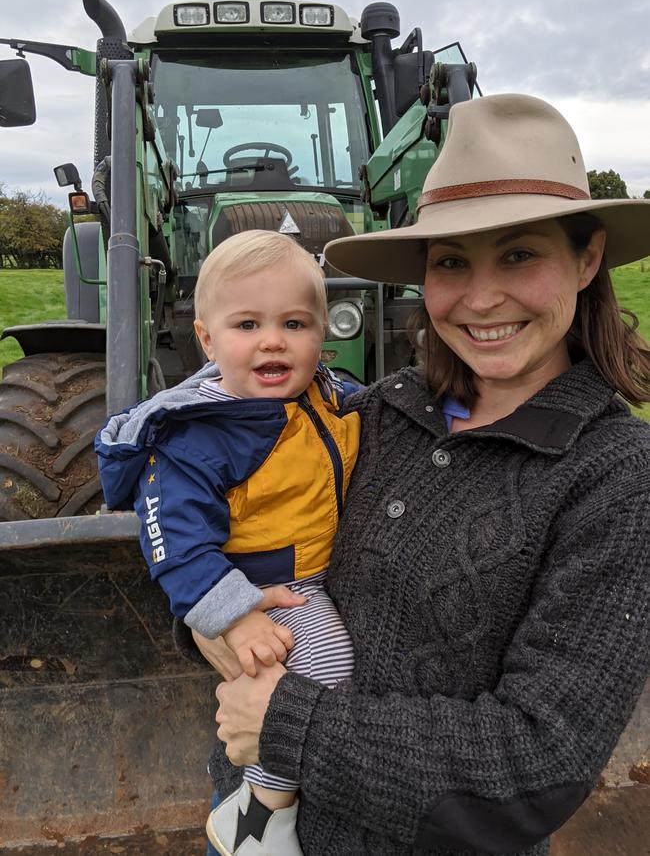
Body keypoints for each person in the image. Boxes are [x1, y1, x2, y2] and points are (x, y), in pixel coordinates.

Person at [193, 93, 650, 856]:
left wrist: (284, 721)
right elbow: (247, 532)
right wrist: (211, 616)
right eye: (450, 262)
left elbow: (538, 761)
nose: (480, 297)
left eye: (519, 253)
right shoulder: (373, 414)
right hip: (243, 819)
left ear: (588, 256)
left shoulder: (614, 477)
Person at [95, 229, 362, 856]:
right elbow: (176, 542)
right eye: (247, 324)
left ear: (322, 334)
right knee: (328, 664)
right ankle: (261, 812)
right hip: (266, 588)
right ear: (208, 340)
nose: (273, 339)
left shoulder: (326, 395)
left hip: (316, 568)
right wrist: (235, 617)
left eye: (294, 323)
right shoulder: (200, 437)